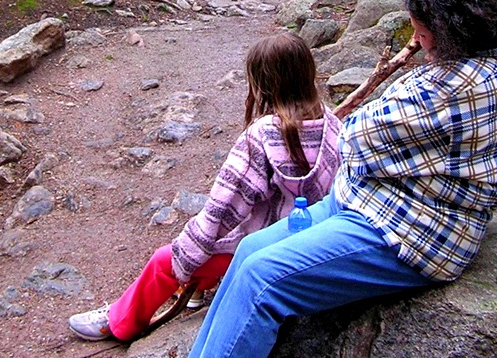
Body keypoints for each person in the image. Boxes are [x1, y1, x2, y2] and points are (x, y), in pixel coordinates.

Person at [187, 0, 497, 358]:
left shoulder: (447, 91)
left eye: (421, 33)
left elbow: (353, 139)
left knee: (261, 279)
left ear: (448, 35)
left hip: (412, 232)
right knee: (248, 252)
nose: (416, 42)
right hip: (371, 199)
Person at [68, 32, 342, 342]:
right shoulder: (332, 122)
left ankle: (120, 323)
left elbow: (223, 209)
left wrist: (187, 253)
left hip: (267, 247)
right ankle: (200, 288)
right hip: (313, 240)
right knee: (209, 246)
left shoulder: (261, 135)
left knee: (167, 259)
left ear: (263, 84)